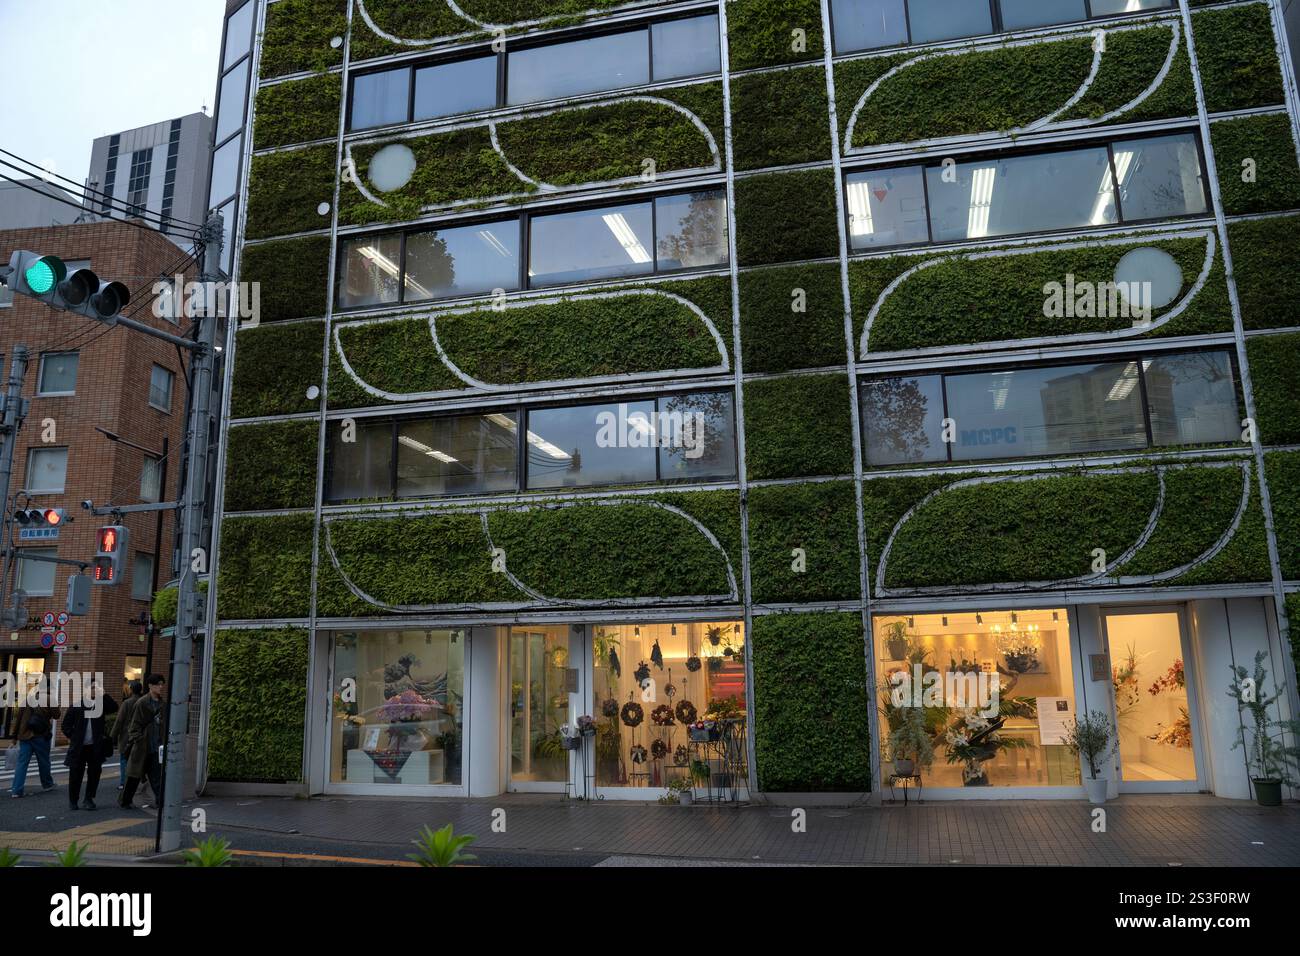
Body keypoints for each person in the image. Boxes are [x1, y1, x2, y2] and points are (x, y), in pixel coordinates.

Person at [61, 681, 118, 811]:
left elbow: (114, 707)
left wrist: (104, 694)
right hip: (79, 747)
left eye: (97, 688)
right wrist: (74, 737)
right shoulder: (76, 706)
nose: (95, 690)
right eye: (93, 688)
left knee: (94, 774)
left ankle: (89, 799)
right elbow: (65, 726)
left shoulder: (100, 705)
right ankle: (73, 800)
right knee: (76, 774)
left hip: (95, 747)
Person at [119, 673, 165, 810]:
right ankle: (125, 800)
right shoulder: (142, 703)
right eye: (158, 684)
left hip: (156, 746)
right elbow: (134, 725)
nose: (161, 687)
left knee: (156, 776)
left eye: (162, 684)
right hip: (142, 746)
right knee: (134, 776)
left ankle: (160, 800)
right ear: (150, 686)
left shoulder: (162, 704)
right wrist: (138, 739)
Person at [9, 696, 60, 798]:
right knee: (44, 762)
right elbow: (57, 715)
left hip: (25, 736)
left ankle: (16, 790)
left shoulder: (26, 700)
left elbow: (18, 719)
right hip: (40, 736)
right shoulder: (49, 699)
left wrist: (14, 737)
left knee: (22, 764)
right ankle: (47, 784)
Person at [115, 681, 143, 790]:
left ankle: (123, 783)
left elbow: (119, 721)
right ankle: (136, 783)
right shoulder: (144, 701)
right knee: (138, 760)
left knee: (124, 759)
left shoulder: (127, 703)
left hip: (127, 736)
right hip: (140, 736)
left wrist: (113, 736)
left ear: (131, 690)